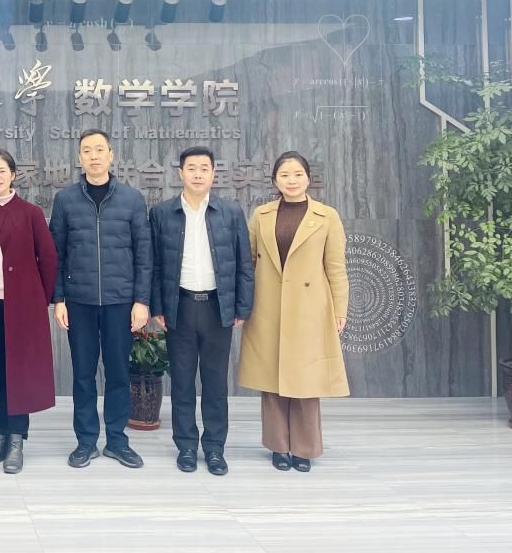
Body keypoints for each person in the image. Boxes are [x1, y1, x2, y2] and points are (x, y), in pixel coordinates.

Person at [238, 151, 349, 473]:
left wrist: (340, 309)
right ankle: (278, 446)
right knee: (271, 379)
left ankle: (304, 448)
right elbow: (249, 263)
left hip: (309, 308)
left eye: (298, 174)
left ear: (308, 178)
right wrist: (244, 304)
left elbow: (336, 268)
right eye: (285, 175)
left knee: (306, 380)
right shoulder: (261, 215)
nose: (292, 180)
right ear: (275, 180)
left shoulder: (327, 216)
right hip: (268, 306)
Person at [49, 130, 152, 469]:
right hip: (78, 301)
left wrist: (141, 300)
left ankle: (117, 441)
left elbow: (144, 254)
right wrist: (58, 299)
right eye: (86, 151)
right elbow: (56, 254)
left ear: (111, 154)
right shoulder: (65, 200)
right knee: (83, 374)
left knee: (119, 373)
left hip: (120, 301)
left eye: (99, 150)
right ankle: (86, 441)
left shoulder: (132, 199)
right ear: (79, 157)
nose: (93, 156)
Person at [149, 146, 254, 476]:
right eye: (191, 168)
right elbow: (154, 265)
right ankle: (185, 446)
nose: (197, 174)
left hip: (217, 307)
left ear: (213, 173)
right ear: (180, 173)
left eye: (204, 168)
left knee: (215, 383)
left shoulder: (230, 212)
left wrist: (241, 306)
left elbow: (244, 263)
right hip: (179, 306)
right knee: (181, 382)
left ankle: (214, 448)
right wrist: (158, 306)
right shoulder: (162, 213)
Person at [0, 149, 57, 474]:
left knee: (20, 374)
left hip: (24, 310)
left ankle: (16, 438)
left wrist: (39, 299)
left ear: (13, 174)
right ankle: (0, 435)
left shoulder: (31, 213)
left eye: (2, 170)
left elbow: (49, 258)